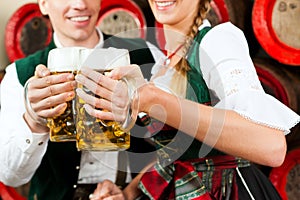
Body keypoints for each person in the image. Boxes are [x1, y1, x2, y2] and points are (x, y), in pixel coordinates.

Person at [76, 0, 300, 199]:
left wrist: (155, 100)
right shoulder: (162, 66)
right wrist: (128, 193)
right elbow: (177, 157)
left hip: (225, 191)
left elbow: (271, 146)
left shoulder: (216, 42)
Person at [0, 0, 163, 199]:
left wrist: (130, 194)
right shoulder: (18, 75)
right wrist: (34, 121)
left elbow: (174, 147)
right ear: (43, 4)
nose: (79, 4)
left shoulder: (147, 55)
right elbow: (10, 177)